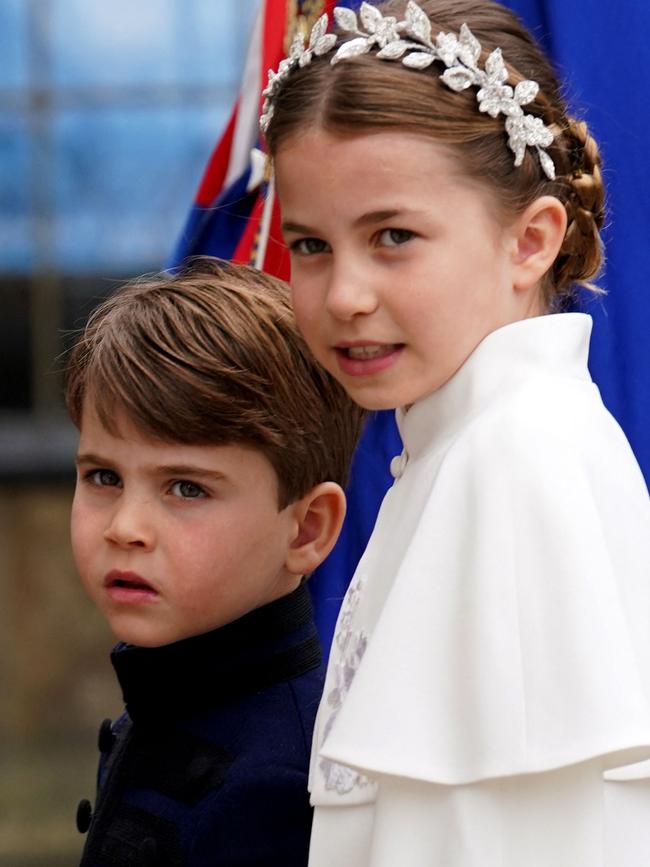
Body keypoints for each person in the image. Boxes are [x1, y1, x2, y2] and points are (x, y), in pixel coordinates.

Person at [260, 1, 650, 864]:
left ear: (530, 241)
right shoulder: (464, 448)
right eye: (310, 246)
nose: (344, 294)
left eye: (392, 237)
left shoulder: (512, 465)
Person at [65, 257, 365, 866]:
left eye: (186, 488)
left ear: (307, 528)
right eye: (103, 476)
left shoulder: (280, 788)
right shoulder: (163, 701)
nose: (125, 528)